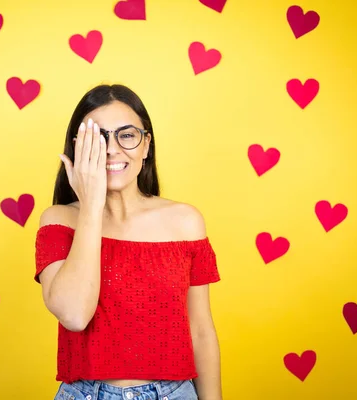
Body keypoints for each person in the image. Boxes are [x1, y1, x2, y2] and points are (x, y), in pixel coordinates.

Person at [34, 83, 222, 400]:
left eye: (127, 135)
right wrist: (91, 205)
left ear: (146, 145)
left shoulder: (185, 222)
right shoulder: (59, 220)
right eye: (97, 138)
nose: (111, 149)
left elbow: (200, 330)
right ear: (77, 148)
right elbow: (74, 315)